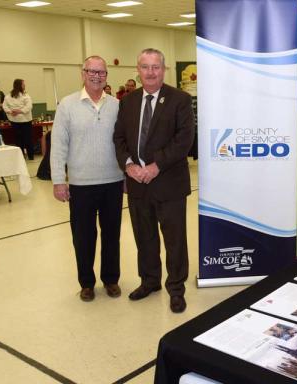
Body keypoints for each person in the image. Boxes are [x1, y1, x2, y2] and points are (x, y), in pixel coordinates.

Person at [114, 48, 195, 313]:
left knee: (174, 241)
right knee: (144, 237)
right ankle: (149, 281)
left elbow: (184, 140)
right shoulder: (127, 102)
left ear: (164, 69)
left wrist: (156, 165)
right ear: (137, 70)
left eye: (156, 67)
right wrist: (128, 165)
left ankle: (176, 288)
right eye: (145, 67)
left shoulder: (180, 99)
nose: (150, 72)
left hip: (168, 182)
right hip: (137, 183)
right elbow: (119, 139)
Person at [50, 56, 124, 302]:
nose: (96, 76)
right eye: (91, 71)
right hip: (80, 185)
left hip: (113, 181)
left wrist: (126, 174)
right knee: (83, 237)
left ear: (106, 76)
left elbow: (124, 144)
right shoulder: (68, 105)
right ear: (83, 73)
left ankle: (111, 279)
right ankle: (87, 283)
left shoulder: (116, 105)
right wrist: (59, 180)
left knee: (112, 234)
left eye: (101, 72)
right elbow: (58, 145)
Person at [2, 79, 34, 159]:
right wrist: (19, 111)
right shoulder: (25, 95)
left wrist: (11, 112)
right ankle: (30, 156)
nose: (24, 86)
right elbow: (29, 106)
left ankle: (21, 157)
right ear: (19, 86)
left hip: (14, 121)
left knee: (18, 139)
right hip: (25, 121)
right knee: (27, 139)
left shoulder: (8, 95)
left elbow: (4, 106)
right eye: (23, 84)